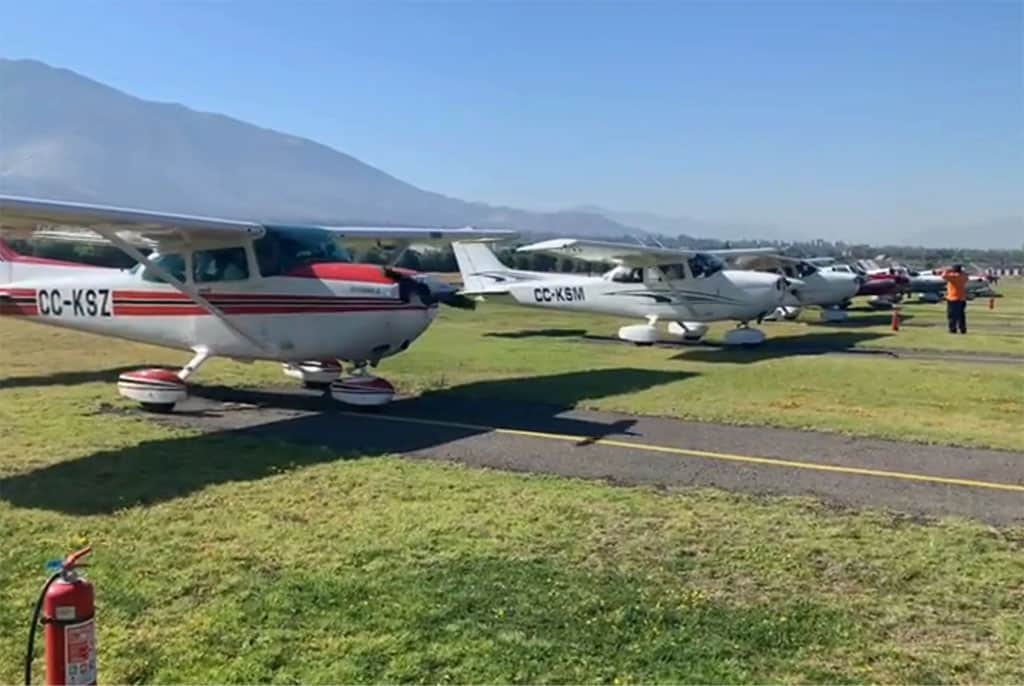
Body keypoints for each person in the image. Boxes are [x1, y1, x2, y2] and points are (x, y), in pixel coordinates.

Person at [941, 264, 969, 334]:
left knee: (952, 315)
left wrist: (947, 270)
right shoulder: (963, 276)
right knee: (961, 315)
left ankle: (953, 329)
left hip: (953, 298)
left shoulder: (954, 276)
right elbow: (966, 276)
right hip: (962, 298)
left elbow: (943, 276)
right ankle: (963, 329)